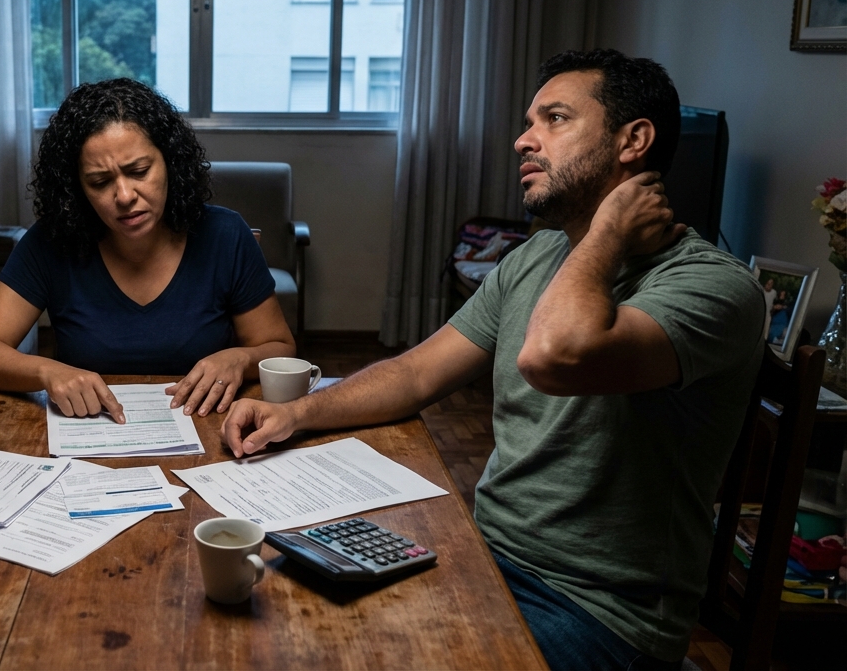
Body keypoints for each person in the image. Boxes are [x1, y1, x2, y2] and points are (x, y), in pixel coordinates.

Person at [221, 50, 765, 669]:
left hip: (600, 613)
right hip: (484, 556)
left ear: (634, 140)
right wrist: (296, 416)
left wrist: (608, 231)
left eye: (554, 119)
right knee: (276, 621)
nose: (522, 140)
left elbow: (553, 357)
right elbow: (417, 372)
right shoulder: (536, 258)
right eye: (528, 121)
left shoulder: (713, 287)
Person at [0, 78, 295, 422]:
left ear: (171, 163)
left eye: (139, 171)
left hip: (208, 435)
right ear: (76, 189)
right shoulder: (51, 241)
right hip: (89, 441)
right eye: (100, 182)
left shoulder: (225, 234)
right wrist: (46, 371)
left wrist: (239, 358)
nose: (123, 196)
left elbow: (279, 348)